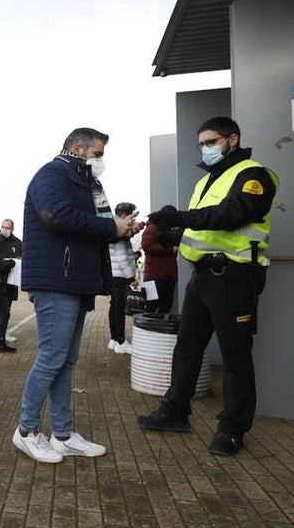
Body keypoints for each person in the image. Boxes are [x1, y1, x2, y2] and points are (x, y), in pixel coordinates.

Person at [137, 116, 278, 457]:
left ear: (233, 139)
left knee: (236, 357)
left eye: (211, 142)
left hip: (233, 277)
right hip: (201, 277)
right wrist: (175, 235)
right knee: (187, 348)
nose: (205, 149)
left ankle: (232, 429)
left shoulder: (254, 175)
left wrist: (181, 218)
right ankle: (174, 411)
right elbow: (205, 226)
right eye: (201, 144)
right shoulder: (207, 180)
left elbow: (232, 214)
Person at [12, 129, 141, 463]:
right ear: (78, 148)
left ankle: (63, 434)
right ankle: (26, 430)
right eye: (98, 154)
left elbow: (90, 226)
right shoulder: (53, 174)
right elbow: (56, 216)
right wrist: (111, 227)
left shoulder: (85, 184)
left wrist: (120, 229)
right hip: (57, 279)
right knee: (52, 358)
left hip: (75, 280)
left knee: (65, 360)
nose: (101, 161)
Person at [107, 201, 138, 355]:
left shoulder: (112, 229)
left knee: (114, 307)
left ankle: (114, 339)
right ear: (126, 215)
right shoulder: (121, 234)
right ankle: (121, 341)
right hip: (120, 276)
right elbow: (122, 258)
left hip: (114, 275)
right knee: (119, 309)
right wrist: (131, 277)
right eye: (131, 215)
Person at [140, 206, 179, 314]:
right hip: (153, 276)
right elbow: (146, 245)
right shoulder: (152, 228)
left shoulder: (169, 230)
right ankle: (149, 325)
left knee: (166, 305)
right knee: (151, 305)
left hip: (168, 275)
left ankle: (159, 325)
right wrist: (170, 249)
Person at [0, 218, 22, 343]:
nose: (5, 230)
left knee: (7, 308)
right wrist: (1, 237)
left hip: (12, 280)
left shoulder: (17, 242)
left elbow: (20, 256)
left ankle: (3, 331)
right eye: (3, 227)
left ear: (12, 229)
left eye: (8, 228)